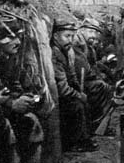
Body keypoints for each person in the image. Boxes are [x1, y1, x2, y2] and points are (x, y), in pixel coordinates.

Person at [0, 18, 44, 163]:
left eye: (19, 37)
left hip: (1, 112)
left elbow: (9, 87)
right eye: (13, 38)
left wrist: (20, 98)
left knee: (31, 124)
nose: (18, 42)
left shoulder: (5, 61)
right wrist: (11, 103)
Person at [51, 17, 99, 152]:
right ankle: (76, 142)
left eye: (72, 36)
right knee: (76, 105)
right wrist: (78, 94)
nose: (70, 40)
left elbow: (72, 75)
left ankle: (85, 136)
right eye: (67, 36)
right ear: (55, 36)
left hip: (65, 93)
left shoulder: (66, 51)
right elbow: (62, 87)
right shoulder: (54, 54)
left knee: (83, 102)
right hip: (58, 97)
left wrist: (79, 90)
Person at [73, 18, 113, 127]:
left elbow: (92, 65)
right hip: (77, 83)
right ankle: (96, 122)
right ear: (82, 30)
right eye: (90, 32)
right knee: (104, 87)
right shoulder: (77, 44)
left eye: (95, 32)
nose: (94, 36)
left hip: (83, 79)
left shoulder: (86, 44)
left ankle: (97, 122)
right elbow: (84, 68)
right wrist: (98, 77)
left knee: (105, 85)